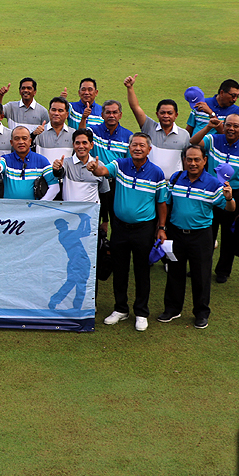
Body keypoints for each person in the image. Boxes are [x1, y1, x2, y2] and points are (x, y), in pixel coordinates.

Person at [87, 132, 169, 332]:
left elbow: (161, 202)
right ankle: (120, 308)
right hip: (120, 228)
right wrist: (94, 168)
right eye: (134, 145)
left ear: (149, 149)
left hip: (144, 229)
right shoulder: (120, 164)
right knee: (120, 269)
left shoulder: (157, 173)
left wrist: (161, 227)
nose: (137, 148)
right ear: (129, 147)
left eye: (142, 145)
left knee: (142, 271)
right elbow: (103, 171)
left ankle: (141, 312)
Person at [157, 144, 235, 329]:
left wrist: (230, 198)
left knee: (201, 275)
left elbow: (229, 208)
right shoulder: (176, 178)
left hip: (201, 236)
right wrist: (162, 228)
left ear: (204, 161)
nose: (192, 163)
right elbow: (166, 203)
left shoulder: (214, 183)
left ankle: (201, 313)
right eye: (189, 159)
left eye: (197, 159)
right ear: (184, 160)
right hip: (176, 233)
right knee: (175, 272)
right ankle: (172, 309)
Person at [189, 113, 239, 284]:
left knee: (229, 234)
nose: (231, 129)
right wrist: (208, 126)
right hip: (210, 193)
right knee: (206, 232)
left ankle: (223, 270)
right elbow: (194, 142)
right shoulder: (213, 139)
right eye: (228, 125)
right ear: (223, 125)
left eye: (235, 126)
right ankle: (201, 267)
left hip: (235, 195)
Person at [124, 74, 191, 180]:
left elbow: (187, 160)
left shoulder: (184, 135)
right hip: (149, 181)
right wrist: (130, 88)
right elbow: (135, 107)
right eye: (162, 112)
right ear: (157, 114)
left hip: (173, 185)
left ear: (176, 115)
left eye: (169, 113)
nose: (166, 116)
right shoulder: (149, 127)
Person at [82, 99, 132, 234]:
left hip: (117, 184)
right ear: (102, 115)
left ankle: (114, 249)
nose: (111, 115)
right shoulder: (93, 132)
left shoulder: (128, 136)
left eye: (115, 112)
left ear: (120, 115)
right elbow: (80, 138)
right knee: (92, 218)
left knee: (117, 219)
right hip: (95, 181)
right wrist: (84, 118)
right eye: (108, 112)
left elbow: (128, 163)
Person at [0, 126, 57, 200]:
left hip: (33, 209)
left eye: (24, 138)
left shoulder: (41, 160)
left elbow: (55, 186)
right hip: (9, 208)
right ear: (11, 143)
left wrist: (41, 204)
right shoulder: (5, 159)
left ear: (30, 141)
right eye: (16, 139)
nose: (21, 142)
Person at [48, 214, 94, 311]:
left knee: (80, 283)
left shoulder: (68, 233)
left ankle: (76, 307)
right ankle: (55, 301)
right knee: (73, 283)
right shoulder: (64, 235)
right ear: (60, 227)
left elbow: (86, 232)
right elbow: (80, 231)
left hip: (83, 261)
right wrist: (83, 219)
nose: (66, 226)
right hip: (76, 261)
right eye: (64, 225)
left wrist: (87, 220)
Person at [51, 129, 110, 203]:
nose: (81, 146)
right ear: (73, 145)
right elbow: (58, 173)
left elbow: (104, 192)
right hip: (70, 212)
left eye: (84, 143)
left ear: (91, 145)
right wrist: (57, 169)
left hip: (91, 213)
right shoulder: (66, 163)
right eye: (77, 143)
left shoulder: (99, 165)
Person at [35, 97, 74, 200]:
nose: (56, 113)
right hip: (43, 184)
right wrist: (33, 134)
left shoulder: (73, 134)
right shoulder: (39, 132)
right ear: (49, 112)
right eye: (53, 110)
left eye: (60, 110)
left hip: (65, 184)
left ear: (67, 114)